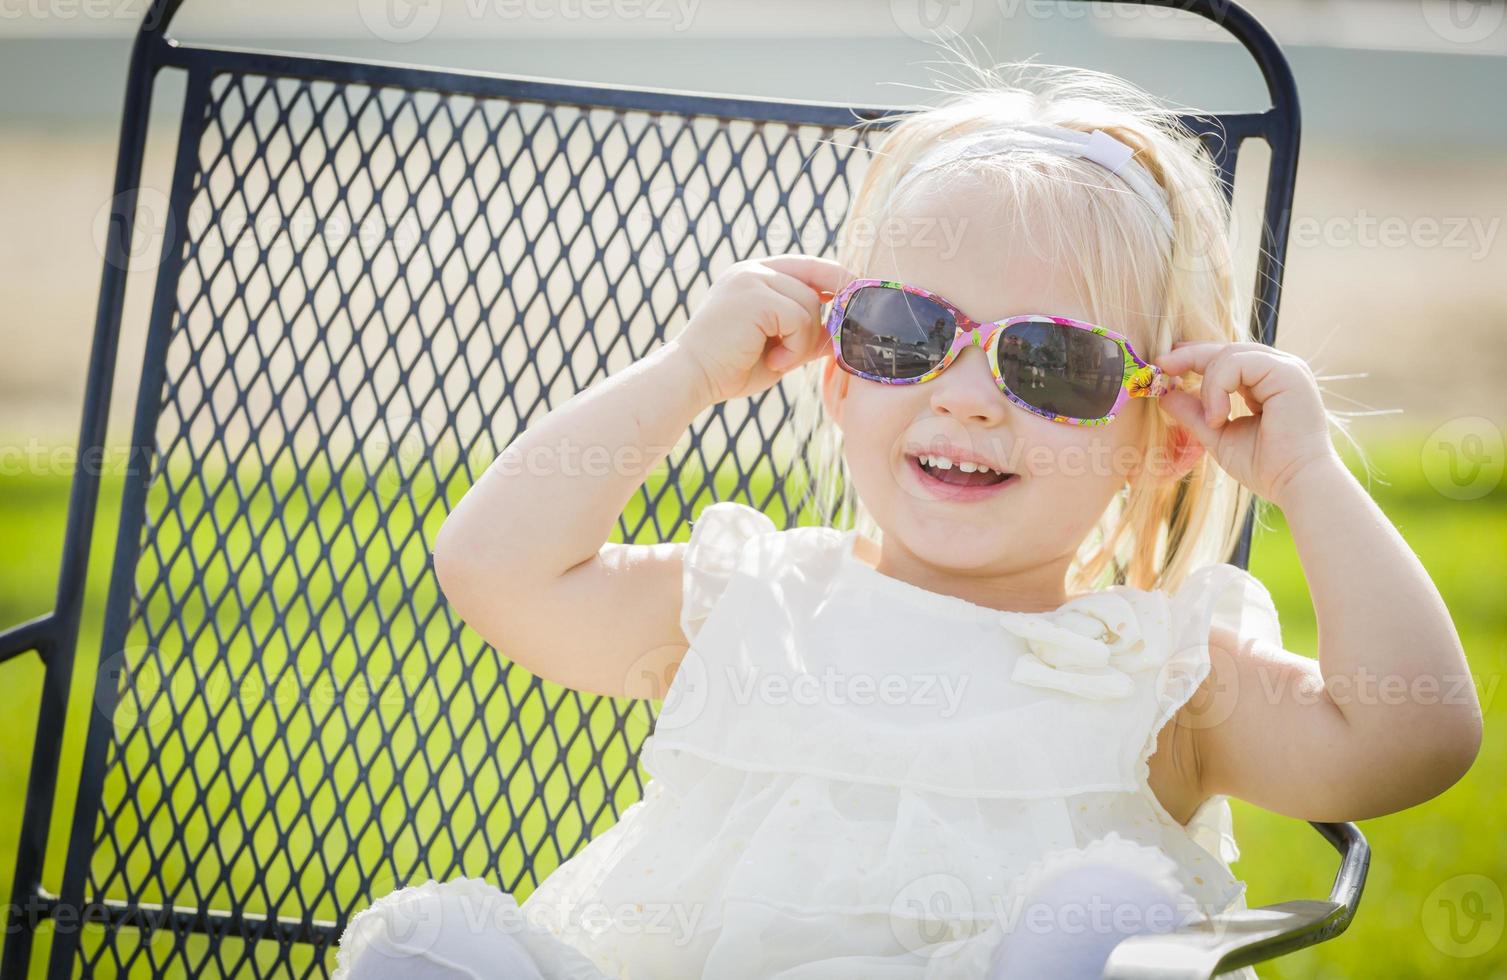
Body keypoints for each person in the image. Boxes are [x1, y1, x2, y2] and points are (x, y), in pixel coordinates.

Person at [333, 62, 1481, 979]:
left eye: (1053, 362)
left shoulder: (1155, 671)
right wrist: (688, 369)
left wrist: (1309, 476)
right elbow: (494, 567)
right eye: (904, 332)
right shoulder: (751, 602)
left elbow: (1409, 738)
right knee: (419, 944)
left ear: (1163, 438)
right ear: (836, 376)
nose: (968, 393)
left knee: (1108, 914)